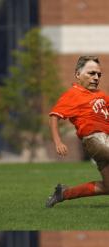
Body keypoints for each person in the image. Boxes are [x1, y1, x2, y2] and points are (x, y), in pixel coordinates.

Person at [46, 56, 109, 207]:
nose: (95, 78)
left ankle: (63, 193)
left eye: (98, 75)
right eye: (91, 73)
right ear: (77, 75)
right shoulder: (73, 94)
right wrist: (58, 141)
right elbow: (54, 116)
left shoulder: (102, 95)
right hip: (95, 140)